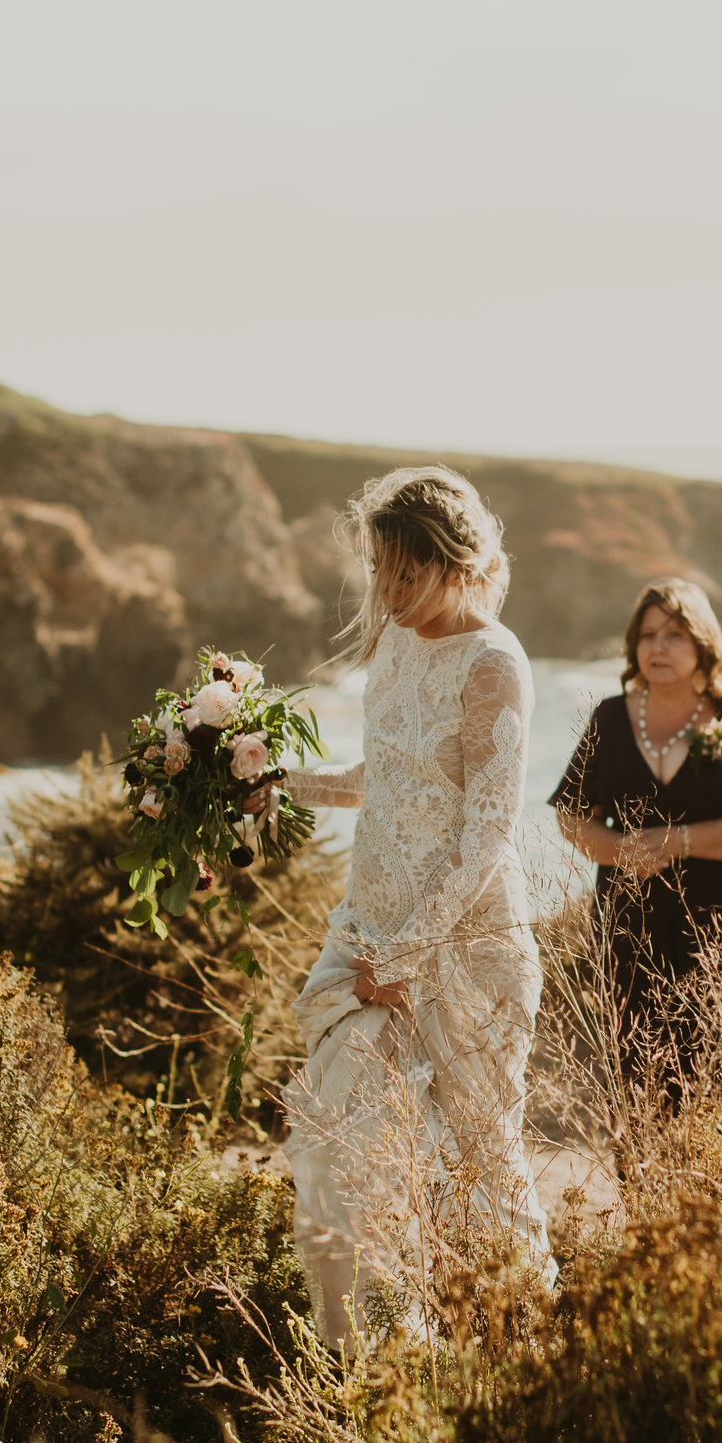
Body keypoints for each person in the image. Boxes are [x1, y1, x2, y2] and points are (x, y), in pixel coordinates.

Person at [270, 465, 550, 1350]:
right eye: (379, 570)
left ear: (455, 560)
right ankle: (376, 1362)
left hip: (465, 957)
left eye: (403, 573)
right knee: (334, 1149)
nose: (386, 593)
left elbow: (485, 833)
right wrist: (275, 787)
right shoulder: (392, 648)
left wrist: (407, 954)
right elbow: (377, 780)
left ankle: (527, 1359)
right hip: (366, 942)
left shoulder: (495, 664)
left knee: (481, 1171)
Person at [552, 579, 722, 1101]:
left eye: (674, 634)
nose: (657, 647)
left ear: (704, 643)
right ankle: (651, 1185)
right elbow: (572, 817)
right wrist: (622, 851)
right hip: (634, 924)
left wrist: (680, 841)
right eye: (646, 635)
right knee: (642, 1071)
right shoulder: (609, 718)